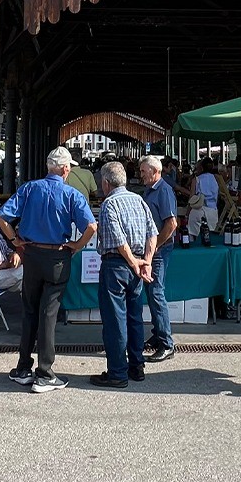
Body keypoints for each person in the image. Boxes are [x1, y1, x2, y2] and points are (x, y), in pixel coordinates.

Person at [0, 146, 97, 393]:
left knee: (29, 309)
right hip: (57, 256)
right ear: (65, 169)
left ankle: (22, 367)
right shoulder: (72, 195)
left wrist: (15, 240)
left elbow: (0, 216)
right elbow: (92, 227)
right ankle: (45, 373)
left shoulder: (30, 188)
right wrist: (76, 246)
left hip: (31, 254)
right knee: (48, 315)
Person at [92, 161, 157, 388]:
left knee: (115, 320)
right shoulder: (139, 200)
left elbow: (119, 240)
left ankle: (117, 372)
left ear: (106, 183)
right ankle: (136, 366)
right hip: (137, 264)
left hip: (117, 265)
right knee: (134, 317)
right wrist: (145, 262)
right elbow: (153, 233)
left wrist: (132, 262)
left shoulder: (110, 204)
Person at [139, 156, 177, 363]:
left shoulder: (163, 191)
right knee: (152, 293)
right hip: (154, 250)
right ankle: (158, 333)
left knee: (156, 293)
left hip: (159, 251)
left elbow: (171, 225)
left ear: (155, 171)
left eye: (144, 171)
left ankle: (166, 343)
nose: (141, 174)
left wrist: (155, 248)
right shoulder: (151, 190)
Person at [184, 158, 221, 237]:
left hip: (198, 210)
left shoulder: (196, 179)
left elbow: (192, 198)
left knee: (194, 236)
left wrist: (187, 214)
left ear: (201, 168)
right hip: (212, 211)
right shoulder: (217, 178)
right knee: (210, 237)